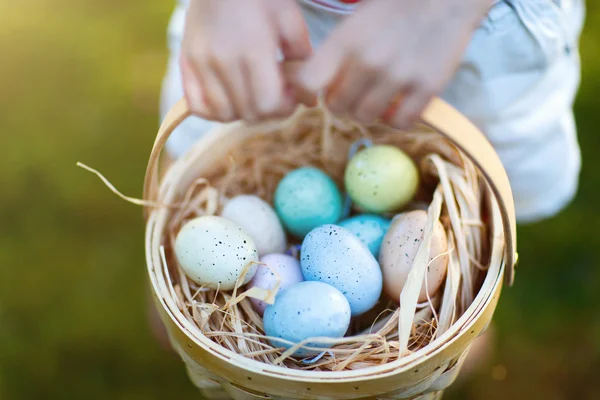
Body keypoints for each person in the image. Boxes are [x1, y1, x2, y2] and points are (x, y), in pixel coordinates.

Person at [154, 0, 585, 379]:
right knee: (192, 184)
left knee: (473, 231)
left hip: (471, 32)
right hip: (269, 22)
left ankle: (447, 351)